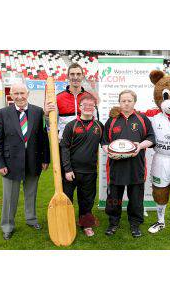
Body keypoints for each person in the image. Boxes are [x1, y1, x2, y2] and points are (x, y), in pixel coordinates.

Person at [0, 83, 50, 240]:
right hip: (10, 164)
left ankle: (31, 219)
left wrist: (45, 159)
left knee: (31, 194)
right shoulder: (3, 113)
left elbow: (42, 138)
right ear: (10, 95)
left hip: (33, 161)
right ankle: (7, 226)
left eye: (22, 93)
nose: (19, 96)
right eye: (15, 93)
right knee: (10, 198)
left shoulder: (38, 112)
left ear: (28, 93)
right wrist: (0, 164)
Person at [102, 90, 155, 238]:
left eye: (129, 100)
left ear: (134, 102)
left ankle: (135, 224)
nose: (126, 103)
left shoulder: (142, 119)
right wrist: (110, 151)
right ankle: (113, 222)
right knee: (114, 198)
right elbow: (104, 141)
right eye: (123, 100)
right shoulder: (112, 120)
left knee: (136, 198)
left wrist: (139, 146)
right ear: (119, 102)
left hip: (136, 167)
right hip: (116, 167)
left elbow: (151, 138)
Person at [59, 94, 103, 237]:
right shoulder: (71, 125)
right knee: (67, 199)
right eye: (86, 105)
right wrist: (67, 169)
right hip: (71, 172)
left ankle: (86, 225)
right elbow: (64, 147)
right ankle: (66, 223)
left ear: (94, 107)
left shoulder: (99, 126)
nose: (89, 108)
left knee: (87, 200)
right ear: (80, 107)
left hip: (90, 171)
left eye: (92, 105)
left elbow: (106, 144)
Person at [44, 63, 99, 139]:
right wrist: (47, 116)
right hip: (65, 144)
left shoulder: (90, 97)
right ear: (68, 76)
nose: (75, 77)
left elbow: (96, 122)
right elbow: (51, 125)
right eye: (72, 74)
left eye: (78, 74)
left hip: (85, 144)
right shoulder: (58, 98)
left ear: (82, 76)